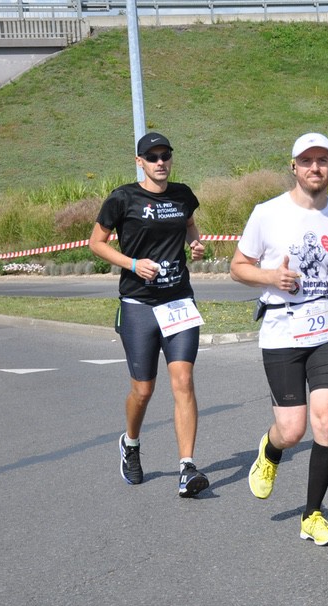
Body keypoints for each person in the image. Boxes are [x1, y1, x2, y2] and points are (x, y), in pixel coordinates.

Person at [230, 132, 328, 546]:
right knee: (292, 430)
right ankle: (271, 449)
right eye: (307, 161)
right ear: (294, 167)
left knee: (327, 418)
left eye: (323, 161)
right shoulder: (267, 214)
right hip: (281, 331)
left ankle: (312, 515)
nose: (315, 168)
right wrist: (269, 276)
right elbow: (238, 266)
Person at [90, 132, 209, 497]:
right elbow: (96, 243)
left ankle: (187, 468)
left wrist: (195, 243)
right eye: (152, 157)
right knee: (143, 390)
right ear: (139, 161)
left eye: (165, 155)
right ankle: (130, 442)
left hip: (178, 302)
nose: (160, 162)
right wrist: (132, 264)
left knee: (183, 380)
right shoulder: (122, 198)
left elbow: (189, 225)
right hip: (139, 305)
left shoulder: (182, 195)